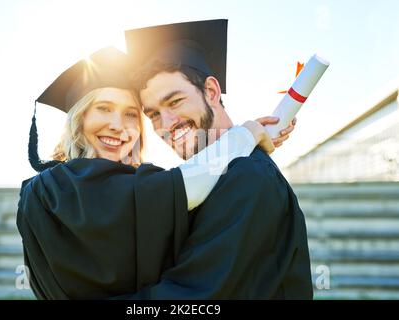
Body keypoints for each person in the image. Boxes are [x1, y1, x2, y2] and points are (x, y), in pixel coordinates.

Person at [16, 47, 290, 299]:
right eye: (103, 108)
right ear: (79, 117)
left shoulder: (133, 185)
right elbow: (179, 187)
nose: (117, 125)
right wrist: (246, 134)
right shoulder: (55, 188)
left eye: (132, 114)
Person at [110, 19, 313, 299]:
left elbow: (193, 297)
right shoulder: (209, 178)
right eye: (153, 114)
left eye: (175, 101)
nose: (165, 123)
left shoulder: (246, 175)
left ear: (212, 91)